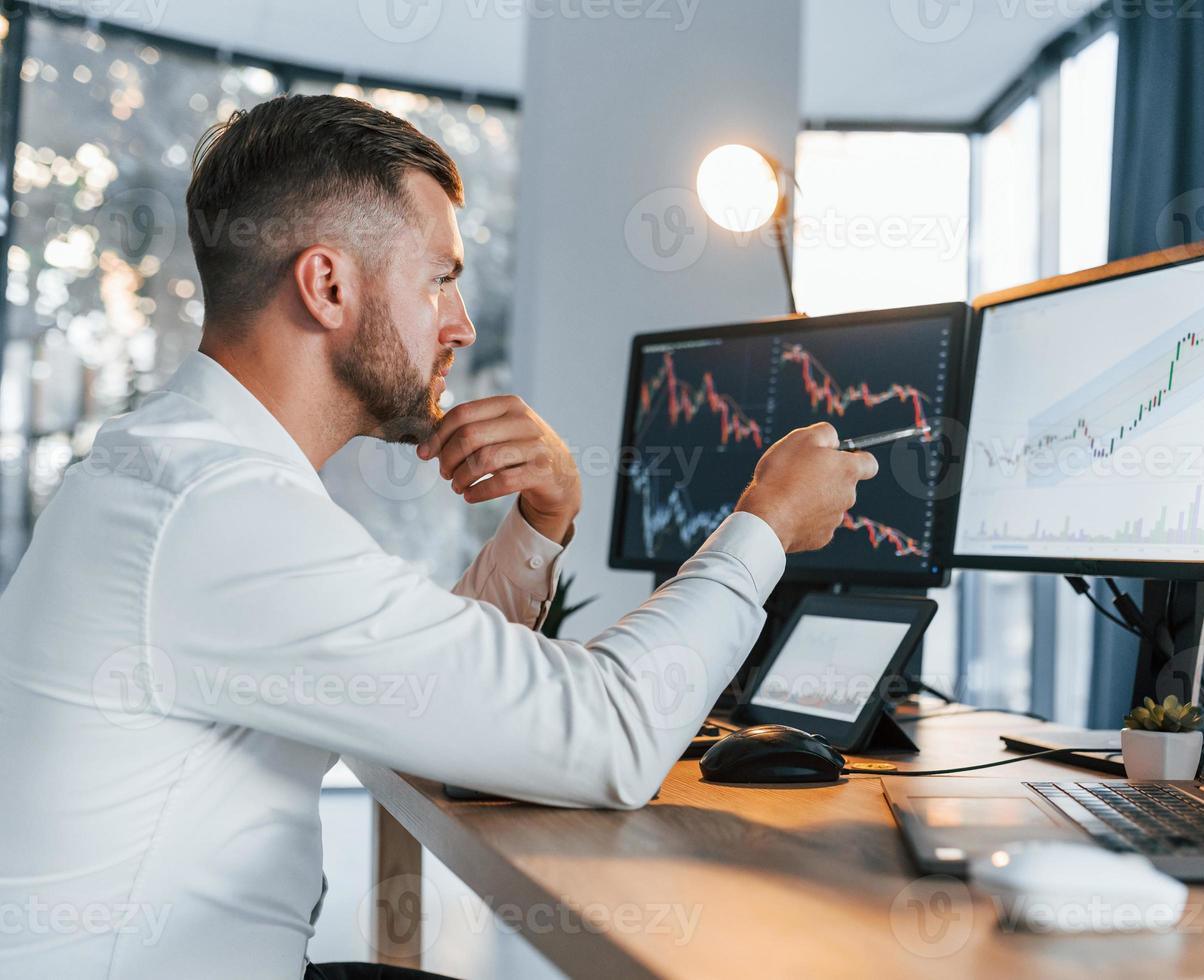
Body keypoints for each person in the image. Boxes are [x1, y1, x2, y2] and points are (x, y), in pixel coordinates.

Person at [0, 95, 877, 979]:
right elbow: (607, 735)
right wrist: (766, 523)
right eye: (437, 278)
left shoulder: (183, 467)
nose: (458, 324)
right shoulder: (222, 511)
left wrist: (540, 526)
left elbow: (425, 688)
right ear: (328, 285)